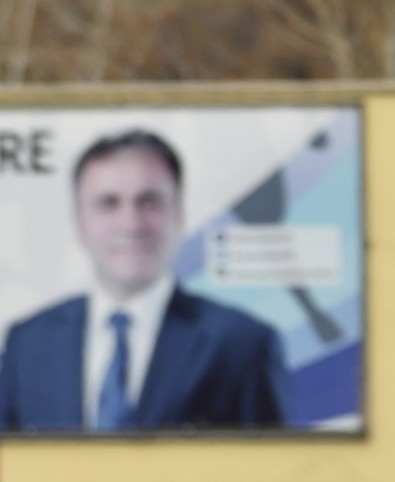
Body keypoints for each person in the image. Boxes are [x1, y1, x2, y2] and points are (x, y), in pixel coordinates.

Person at [0, 129, 291, 433]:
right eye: (108, 204)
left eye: (149, 202)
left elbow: (275, 475)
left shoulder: (244, 344)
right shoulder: (28, 343)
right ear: (80, 222)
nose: (130, 224)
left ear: (179, 215)